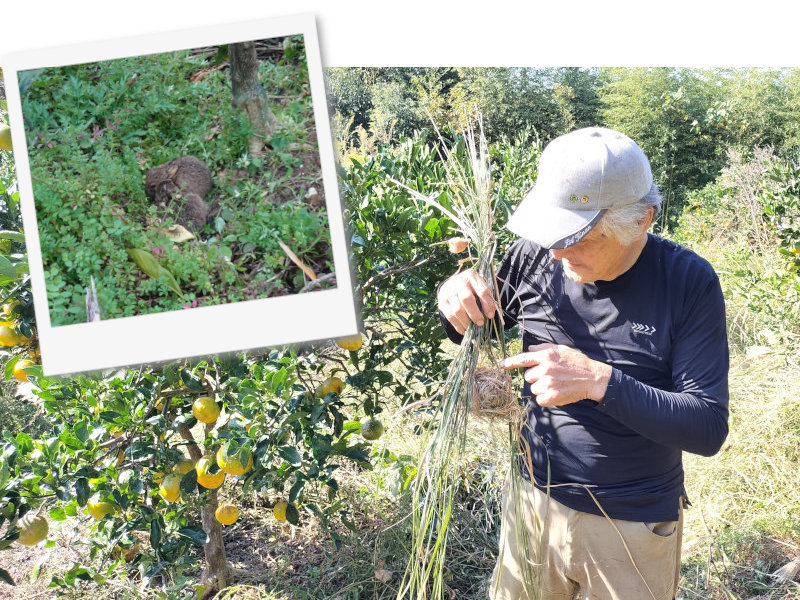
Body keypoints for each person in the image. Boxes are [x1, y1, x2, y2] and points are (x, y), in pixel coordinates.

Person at [436, 127, 729, 600]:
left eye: (577, 236)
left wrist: (599, 381)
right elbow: (470, 323)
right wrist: (452, 296)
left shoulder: (686, 282)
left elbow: (707, 427)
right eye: (552, 231)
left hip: (630, 526)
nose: (555, 251)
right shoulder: (536, 253)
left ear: (640, 221)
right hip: (532, 505)